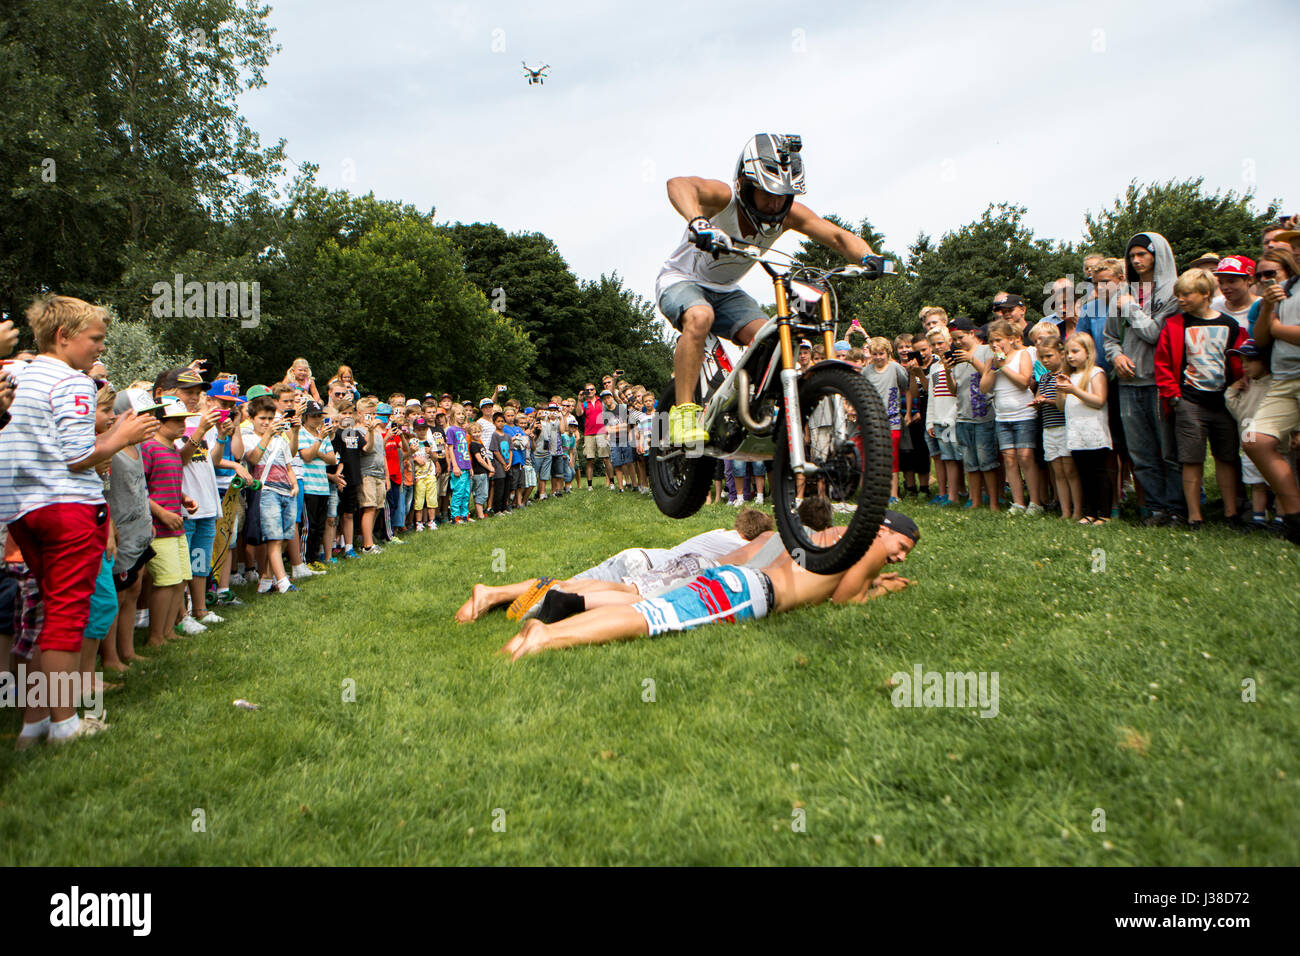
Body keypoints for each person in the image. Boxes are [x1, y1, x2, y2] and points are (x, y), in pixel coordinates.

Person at [656, 134, 880, 446]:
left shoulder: (788, 215)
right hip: (680, 280)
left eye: (783, 195)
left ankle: (745, 408)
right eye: (767, 194)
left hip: (726, 291)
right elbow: (678, 184)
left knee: (773, 340)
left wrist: (869, 257)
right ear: (747, 186)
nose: (775, 203)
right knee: (700, 316)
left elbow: (838, 237)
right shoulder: (724, 198)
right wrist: (697, 221)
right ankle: (684, 412)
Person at [500, 511, 919, 660]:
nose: (899, 556)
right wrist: (882, 588)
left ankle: (551, 624)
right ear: (885, 531)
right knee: (649, 618)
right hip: (746, 593)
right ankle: (547, 635)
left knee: (645, 607)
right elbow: (846, 599)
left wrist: (874, 579)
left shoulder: (840, 534)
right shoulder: (871, 544)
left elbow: (830, 580)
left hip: (737, 579)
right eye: (901, 546)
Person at [456, 506, 789, 623]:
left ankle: (505, 599)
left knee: (572, 584)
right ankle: (492, 593)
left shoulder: (721, 532)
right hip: (641, 568)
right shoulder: (736, 545)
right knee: (569, 586)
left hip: (640, 557)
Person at [1155, 268, 1248, 529]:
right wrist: (1173, 396)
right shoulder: (1174, 324)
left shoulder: (1230, 325)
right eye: (1178, 295)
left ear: (1205, 294)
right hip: (1189, 400)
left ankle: (1231, 513)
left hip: (1223, 401)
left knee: (1227, 456)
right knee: (1191, 459)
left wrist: (1240, 382)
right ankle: (1195, 515)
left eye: (1186, 294)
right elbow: (1162, 363)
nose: (1181, 300)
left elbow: (1240, 357)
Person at [1225, 341, 1290, 531]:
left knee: (1278, 483)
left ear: (1265, 361)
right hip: (1250, 443)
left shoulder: (1277, 386)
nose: (1245, 366)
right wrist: (1232, 391)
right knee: (1256, 483)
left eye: (1250, 361)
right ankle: (1259, 518)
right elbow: (1238, 411)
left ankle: (1281, 518)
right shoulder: (1246, 387)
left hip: (1275, 446)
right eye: (1242, 361)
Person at [244, 395, 301, 591]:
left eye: (270, 419)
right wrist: (267, 435)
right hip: (266, 491)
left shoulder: (280, 440)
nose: (267, 423)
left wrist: (294, 484)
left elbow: (289, 464)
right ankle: (283, 582)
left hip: (286, 491)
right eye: (262, 419)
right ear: (252, 419)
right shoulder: (249, 438)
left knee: (285, 537)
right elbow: (253, 458)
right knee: (274, 538)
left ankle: (267, 579)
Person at [1053, 334, 1111, 524]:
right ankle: (1089, 512)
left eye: (1075, 351)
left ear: (1088, 352)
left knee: (1099, 473)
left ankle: (1104, 514)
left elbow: (1099, 401)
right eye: (1067, 352)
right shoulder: (1070, 377)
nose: (1070, 356)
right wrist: (1061, 390)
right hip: (1076, 433)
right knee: (1084, 474)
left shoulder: (1096, 373)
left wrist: (1074, 390)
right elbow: (1061, 406)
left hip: (1094, 432)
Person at [1030, 335, 1079, 519]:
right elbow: (1039, 396)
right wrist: (1036, 402)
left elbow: (1064, 404)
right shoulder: (1043, 378)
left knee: (1070, 472)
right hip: (1048, 428)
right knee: (1058, 472)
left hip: (1065, 426)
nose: (1045, 360)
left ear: (1061, 353)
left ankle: (1077, 510)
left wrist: (1046, 401)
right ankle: (1065, 511)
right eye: (1041, 357)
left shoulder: (1067, 376)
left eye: (1049, 356)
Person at [863, 337, 912, 503]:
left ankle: (893, 494)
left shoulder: (896, 368)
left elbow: (907, 388)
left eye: (881, 354)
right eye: (874, 354)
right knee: (874, 457)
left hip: (892, 420)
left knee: (892, 458)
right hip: (872, 419)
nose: (878, 357)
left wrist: (908, 413)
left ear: (888, 353)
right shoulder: (866, 371)